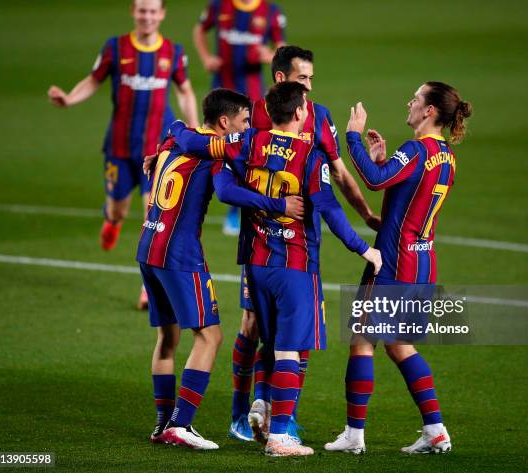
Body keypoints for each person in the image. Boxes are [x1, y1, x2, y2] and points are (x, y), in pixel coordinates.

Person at [170, 81, 382, 456]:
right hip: (295, 264)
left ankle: (261, 407)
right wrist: (364, 249)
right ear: (301, 113)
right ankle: (281, 435)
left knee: (269, 341)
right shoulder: (311, 156)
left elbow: (205, 160)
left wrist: (172, 132)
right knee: (290, 350)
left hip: (255, 264)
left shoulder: (248, 142)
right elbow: (331, 211)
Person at [137, 88, 303, 450]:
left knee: (167, 338)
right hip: (179, 254)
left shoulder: (173, 137)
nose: (247, 127)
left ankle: (163, 423)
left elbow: (177, 130)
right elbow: (229, 194)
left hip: (148, 246)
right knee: (210, 336)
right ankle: (181, 425)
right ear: (225, 122)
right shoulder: (217, 153)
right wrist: (278, 203)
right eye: (244, 121)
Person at [231, 46, 381, 443]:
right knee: (267, 331)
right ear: (282, 79)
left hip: (272, 248)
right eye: (303, 79)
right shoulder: (254, 117)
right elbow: (329, 193)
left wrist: (366, 213)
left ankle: (277, 413)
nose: (310, 88)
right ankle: (253, 414)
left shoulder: (311, 118)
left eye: (312, 78)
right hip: (282, 250)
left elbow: (339, 172)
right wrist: (362, 244)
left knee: (284, 335)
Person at [324, 82, 473, 455]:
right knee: (399, 345)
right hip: (422, 262)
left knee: (362, 340)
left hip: (392, 261)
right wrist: (382, 162)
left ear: (430, 112)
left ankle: (354, 435)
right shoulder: (446, 156)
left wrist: (353, 138)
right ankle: (436, 430)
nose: (410, 102)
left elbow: (375, 183)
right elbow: (403, 193)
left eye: (417, 98)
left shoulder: (417, 149)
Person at [48, 0, 199, 309]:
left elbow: (184, 90)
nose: (147, 16)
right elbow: (93, 80)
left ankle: (148, 288)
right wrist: (69, 99)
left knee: (152, 217)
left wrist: (194, 127)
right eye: (142, 10)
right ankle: (112, 221)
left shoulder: (173, 52)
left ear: (162, 14)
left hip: (159, 151)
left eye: (152, 10)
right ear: (133, 12)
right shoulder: (115, 48)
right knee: (118, 209)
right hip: (119, 147)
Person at [193, 0, 287, 236]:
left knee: (246, 154)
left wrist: (270, 56)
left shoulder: (270, 11)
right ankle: (187, 202)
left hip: (251, 99)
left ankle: (236, 212)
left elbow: (281, 49)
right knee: (208, 150)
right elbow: (199, 29)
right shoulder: (219, 6)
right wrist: (206, 57)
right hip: (219, 95)